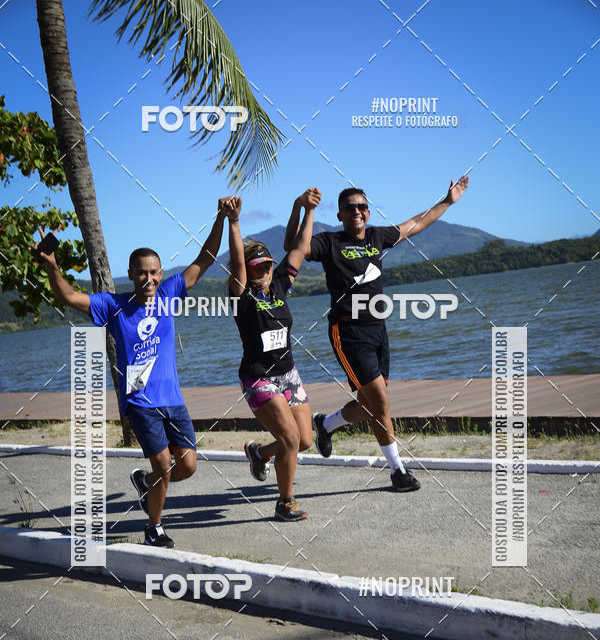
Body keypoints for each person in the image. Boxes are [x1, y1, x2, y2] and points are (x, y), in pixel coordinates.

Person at [32, 202, 230, 548]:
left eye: (155, 272)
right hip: (139, 401)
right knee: (166, 467)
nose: (149, 279)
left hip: (173, 401)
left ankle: (144, 482)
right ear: (131, 273)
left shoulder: (169, 294)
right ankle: (154, 528)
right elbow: (67, 296)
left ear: (161, 272)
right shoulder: (113, 305)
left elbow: (205, 259)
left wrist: (222, 218)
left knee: (188, 467)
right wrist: (52, 268)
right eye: (142, 273)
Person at [284, 177, 469, 492]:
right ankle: (398, 471)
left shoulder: (377, 236)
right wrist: (302, 208)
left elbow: (416, 224)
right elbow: (293, 246)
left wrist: (447, 201)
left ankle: (325, 425)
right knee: (381, 402)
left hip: (378, 332)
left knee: (370, 406)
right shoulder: (329, 242)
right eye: (350, 208)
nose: (357, 211)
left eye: (362, 206)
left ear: (368, 212)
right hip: (348, 333)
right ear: (340, 214)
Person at [224, 189, 320, 521]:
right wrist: (234, 223)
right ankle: (285, 502)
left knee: (304, 441)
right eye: (257, 267)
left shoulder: (279, 284)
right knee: (290, 437)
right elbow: (237, 262)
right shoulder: (241, 297)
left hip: (288, 374)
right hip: (258, 376)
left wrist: (306, 210)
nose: (264, 271)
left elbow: (299, 247)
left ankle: (260, 453)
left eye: (267, 265)